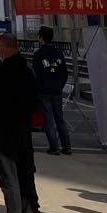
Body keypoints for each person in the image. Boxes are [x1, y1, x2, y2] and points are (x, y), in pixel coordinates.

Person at [0, 34, 40, 213]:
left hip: (6, 129)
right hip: (24, 129)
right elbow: (35, 102)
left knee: (9, 176)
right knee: (25, 175)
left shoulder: (3, 72)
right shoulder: (28, 71)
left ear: (4, 47)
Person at [32, 26, 71, 156]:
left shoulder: (38, 54)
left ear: (41, 38)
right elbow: (64, 72)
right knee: (60, 118)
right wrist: (59, 85)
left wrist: (39, 88)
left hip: (44, 91)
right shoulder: (58, 53)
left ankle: (54, 147)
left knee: (48, 119)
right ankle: (67, 146)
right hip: (57, 90)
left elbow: (36, 74)